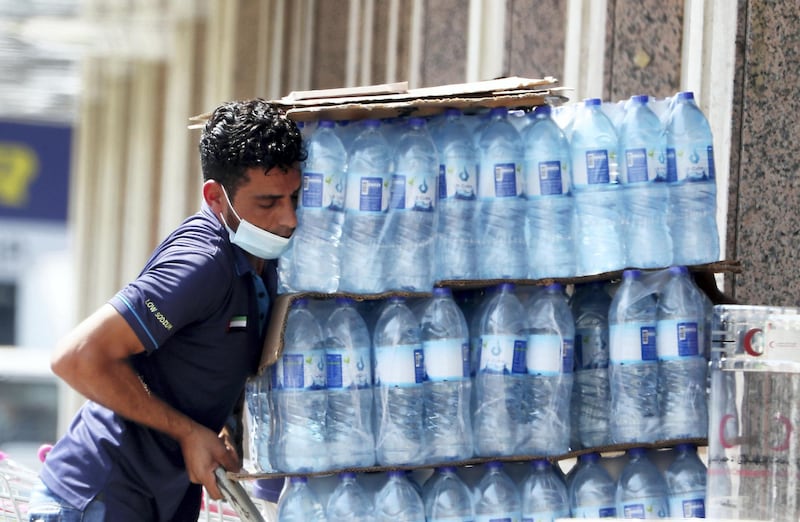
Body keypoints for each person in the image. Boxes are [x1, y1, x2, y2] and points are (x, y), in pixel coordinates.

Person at [27, 98, 305, 521]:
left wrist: (221, 426)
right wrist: (189, 432)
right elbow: (77, 358)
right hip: (99, 496)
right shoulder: (200, 265)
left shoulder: (257, 257)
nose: (289, 218)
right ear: (216, 197)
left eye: (294, 197)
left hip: (154, 500)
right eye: (268, 203)